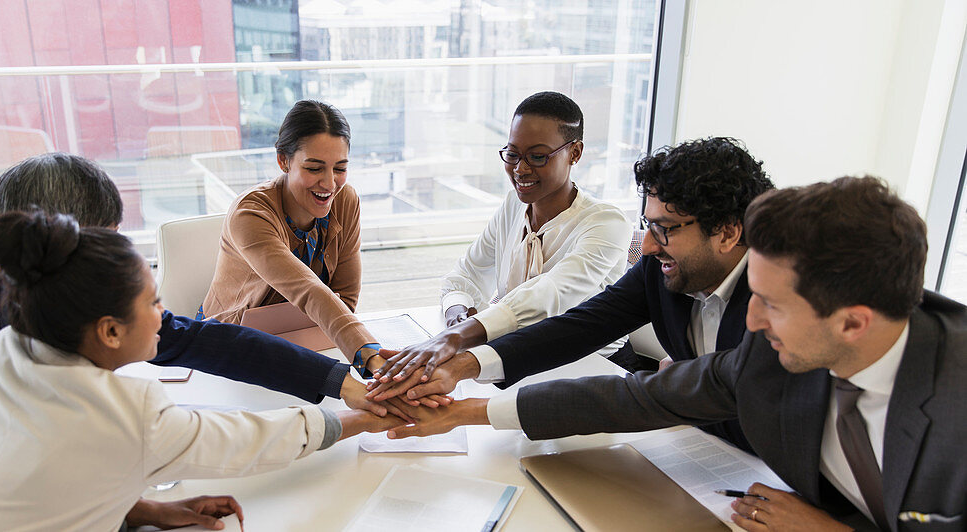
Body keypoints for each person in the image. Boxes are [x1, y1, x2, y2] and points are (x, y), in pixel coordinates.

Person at [385, 176, 966, 532]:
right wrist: (468, 411)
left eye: (771, 305)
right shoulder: (776, 351)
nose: (754, 323)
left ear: (854, 322)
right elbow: (641, 396)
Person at [0, 153, 395, 532]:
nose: (161, 310)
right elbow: (237, 440)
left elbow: (213, 343)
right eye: (108, 244)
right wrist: (361, 420)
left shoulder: (14, 351)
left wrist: (341, 383)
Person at [371, 137, 773, 452]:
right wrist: (463, 367)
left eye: (665, 229)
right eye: (648, 225)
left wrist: (469, 412)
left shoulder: (777, 305)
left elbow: (640, 398)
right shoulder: (661, 268)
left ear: (727, 233)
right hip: (696, 446)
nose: (647, 246)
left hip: (768, 467)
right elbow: (581, 326)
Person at [382, 92, 632, 376]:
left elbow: (549, 295)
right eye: (512, 154)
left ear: (574, 153)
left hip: (593, 369)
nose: (520, 169)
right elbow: (465, 274)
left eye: (537, 156)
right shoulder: (515, 204)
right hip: (520, 355)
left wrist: (458, 336)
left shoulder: (607, 223)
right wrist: (457, 316)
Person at [202, 100, 386, 379]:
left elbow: (346, 299)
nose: (329, 184)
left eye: (340, 168)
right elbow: (308, 289)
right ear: (283, 161)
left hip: (313, 340)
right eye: (314, 168)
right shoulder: (250, 214)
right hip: (230, 346)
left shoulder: (345, 200)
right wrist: (369, 355)